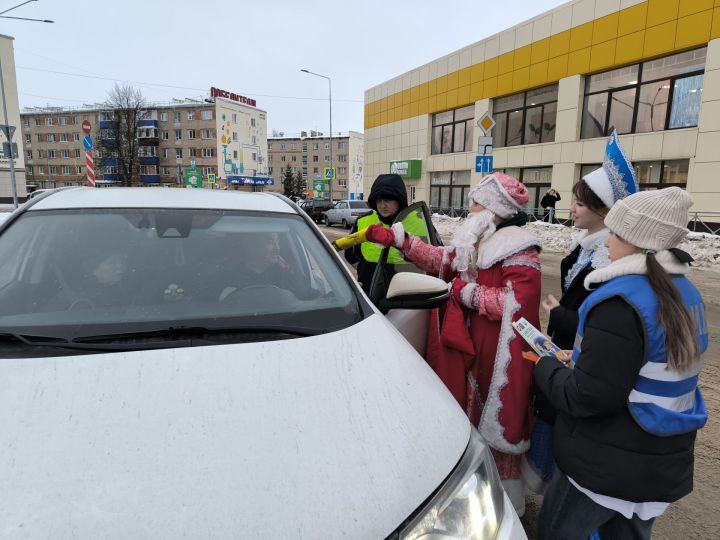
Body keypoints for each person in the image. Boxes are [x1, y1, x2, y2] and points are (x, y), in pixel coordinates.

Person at [533, 187, 708, 540]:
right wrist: (584, 358)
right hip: (659, 459)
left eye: (615, 232)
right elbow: (646, 365)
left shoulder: (621, 301)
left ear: (638, 240)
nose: (607, 241)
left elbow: (586, 396)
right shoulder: (685, 292)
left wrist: (545, 366)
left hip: (606, 465)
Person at [364, 172, 541, 516]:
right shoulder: (481, 239)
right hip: (470, 347)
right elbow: (443, 261)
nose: (468, 209)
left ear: (492, 210)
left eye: (475, 203)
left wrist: (463, 292)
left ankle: (502, 508)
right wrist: (401, 240)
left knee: (492, 423)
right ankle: (470, 493)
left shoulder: (520, 247)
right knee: (467, 418)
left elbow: (514, 304)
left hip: (496, 355)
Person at [525, 130, 639, 493]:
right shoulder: (585, 247)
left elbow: (606, 328)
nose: (571, 208)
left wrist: (560, 316)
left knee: (563, 428)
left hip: (582, 368)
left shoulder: (612, 260)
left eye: (579, 203)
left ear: (604, 211)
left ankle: (558, 491)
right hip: (566, 359)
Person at [344, 173, 408, 295]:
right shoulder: (363, 221)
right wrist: (365, 270)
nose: (382, 206)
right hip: (371, 293)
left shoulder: (419, 221)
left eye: (387, 200)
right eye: (379, 201)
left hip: (407, 296)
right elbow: (350, 253)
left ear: (400, 199)